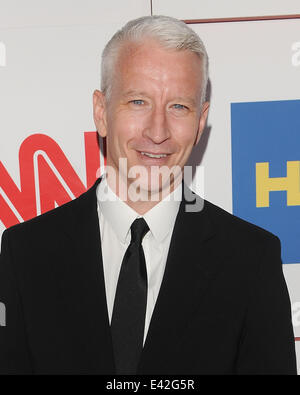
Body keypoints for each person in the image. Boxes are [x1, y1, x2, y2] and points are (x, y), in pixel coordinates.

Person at [0, 15, 297, 375]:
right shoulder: (26, 253)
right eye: (138, 101)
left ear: (200, 122)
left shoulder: (251, 261)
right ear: (101, 112)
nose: (157, 132)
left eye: (179, 107)